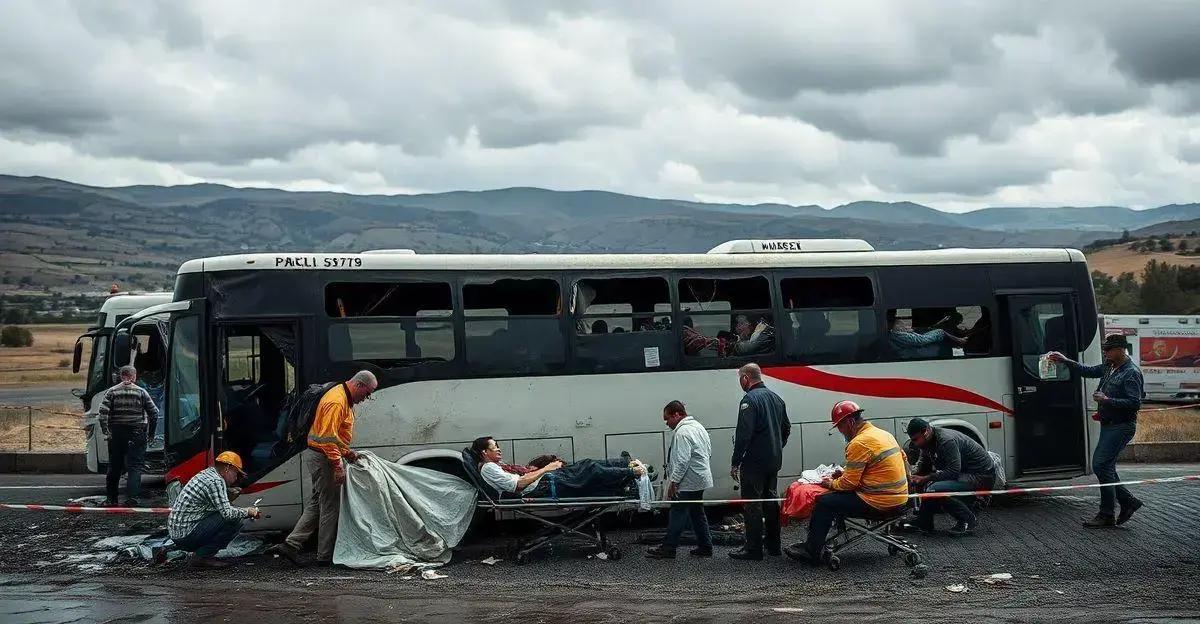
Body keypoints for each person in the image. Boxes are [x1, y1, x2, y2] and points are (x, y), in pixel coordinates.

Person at [270, 370, 378, 566]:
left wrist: (348, 453)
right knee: (330, 506)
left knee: (317, 502)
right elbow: (327, 439)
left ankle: (291, 544)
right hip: (324, 458)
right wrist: (338, 466)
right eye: (368, 393)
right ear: (359, 385)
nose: (367, 398)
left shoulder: (341, 395)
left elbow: (333, 436)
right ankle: (324, 556)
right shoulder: (337, 402)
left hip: (321, 455)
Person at [785, 401, 909, 565]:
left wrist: (829, 483)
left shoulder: (859, 443)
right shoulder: (883, 434)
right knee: (835, 499)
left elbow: (848, 485)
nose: (840, 431)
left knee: (824, 502)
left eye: (839, 426)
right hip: (899, 498)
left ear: (850, 422)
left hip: (879, 501)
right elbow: (898, 461)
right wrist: (844, 474)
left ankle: (812, 551)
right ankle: (815, 544)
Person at [1048, 334, 1145, 527]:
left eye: (1108, 349)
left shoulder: (1131, 373)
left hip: (1121, 425)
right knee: (1106, 467)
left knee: (1100, 465)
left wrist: (1107, 400)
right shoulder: (1110, 366)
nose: (1105, 352)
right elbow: (1089, 370)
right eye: (1104, 349)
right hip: (1109, 424)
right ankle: (1120, 507)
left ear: (1120, 350)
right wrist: (1065, 360)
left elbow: (1135, 403)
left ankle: (1113, 510)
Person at [729, 363, 790, 560]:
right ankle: (774, 545)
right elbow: (786, 428)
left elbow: (744, 435)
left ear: (746, 378)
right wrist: (776, 447)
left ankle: (753, 549)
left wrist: (736, 462)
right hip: (773, 460)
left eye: (740, 378)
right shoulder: (777, 398)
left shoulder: (749, 400)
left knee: (752, 504)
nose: (740, 383)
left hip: (754, 463)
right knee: (770, 502)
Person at [167, 451, 261, 569]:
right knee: (235, 520)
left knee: (231, 514)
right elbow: (227, 514)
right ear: (227, 468)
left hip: (178, 532)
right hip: (185, 535)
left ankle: (201, 555)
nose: (236, 478)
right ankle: (203, 557)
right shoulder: (216, 481)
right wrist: (249, 511)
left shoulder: (208, 473)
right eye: (235, 473)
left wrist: (227, 494)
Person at [646, 401, 714, 559]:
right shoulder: (698, 427)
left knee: (677, 512)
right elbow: (708, 451)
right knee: (697, 512)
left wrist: (674, 482)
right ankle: (706, 546)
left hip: (688, 481)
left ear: (677, 414)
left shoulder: (682, 433)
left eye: (667, 418)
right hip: (701, 478)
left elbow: (683, 461)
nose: (667, 423)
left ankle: (668, 548)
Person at [472, 437, 646, 498]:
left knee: (585, 464)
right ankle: (631, 472)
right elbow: (518, 484)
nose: (499, 449)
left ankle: (625, 465)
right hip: (542, 486)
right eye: (495, 447)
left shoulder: (496, 465)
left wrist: (544, 465)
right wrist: (547, 468)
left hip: (543, 482)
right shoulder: (489, 468)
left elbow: (521, 476)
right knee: (591, 470)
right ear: (484, 452)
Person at [905, 418, 995, 536]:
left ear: (925, 431)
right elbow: (923, 467)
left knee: (934, 489)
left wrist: (926, 478)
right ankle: (924, 522)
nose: (916, 444)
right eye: (913, 440)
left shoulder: (946, 440)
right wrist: (912, 477)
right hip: (965, 474)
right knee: (928, 485)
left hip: (981, 475)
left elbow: (953, 471)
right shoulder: (927, 443)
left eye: (916, 439)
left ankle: (968, 518)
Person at [98, 365, 160, 507]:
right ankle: (132, 499)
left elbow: (102, 413)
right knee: (135, 467)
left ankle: (111, 499)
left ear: (121, 376)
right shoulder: (141, 392)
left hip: (117, 433)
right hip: (137, 433)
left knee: (114, 466)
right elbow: (154, 413)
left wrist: (106, 431)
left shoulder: (111, 392)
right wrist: (151, 433)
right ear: (134, 376)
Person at [887, 310, 965, 358]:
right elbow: (920, 340)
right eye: (892, 319)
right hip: (914, 355)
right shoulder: (895, 334)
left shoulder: (893, 332)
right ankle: (959, 340)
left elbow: (913, 332)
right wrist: (940, 331)